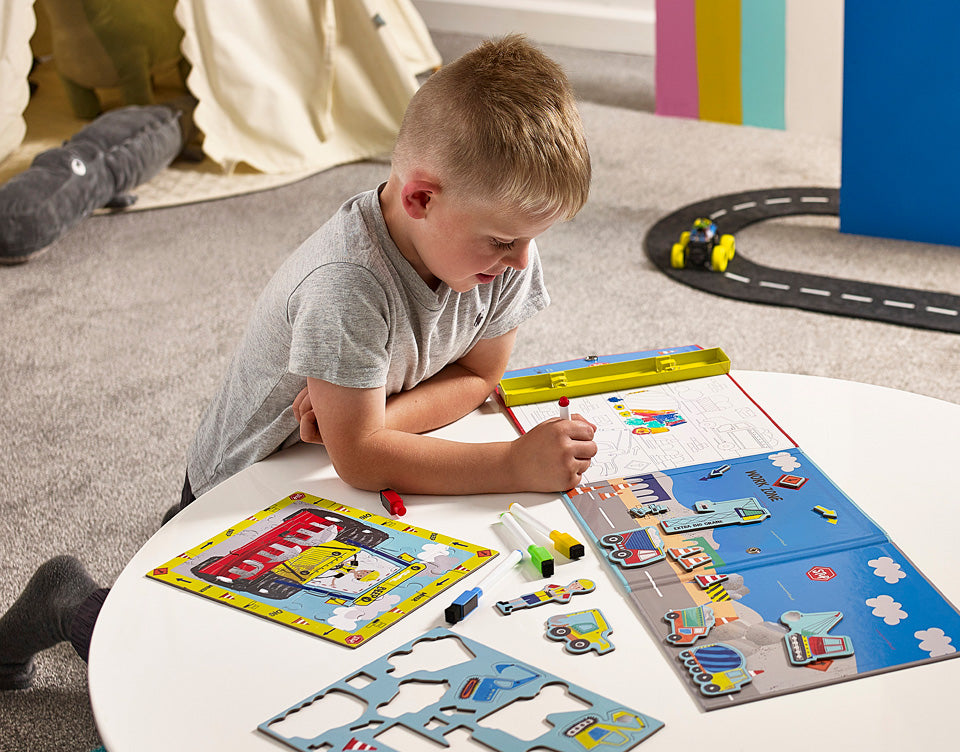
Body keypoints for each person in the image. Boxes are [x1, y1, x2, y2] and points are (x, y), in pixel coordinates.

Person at [0, 34, 596, 691]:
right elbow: (361, 458)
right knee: (195, 673)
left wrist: (375, 424)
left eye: (532, 239)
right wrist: (509, 464)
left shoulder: (502, 252)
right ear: (421, 199)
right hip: (244, 490)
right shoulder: (347, 282)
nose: (521, 261)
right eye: (505, 240)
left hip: (333, 464)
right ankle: (68, 600)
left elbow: (479, 377)